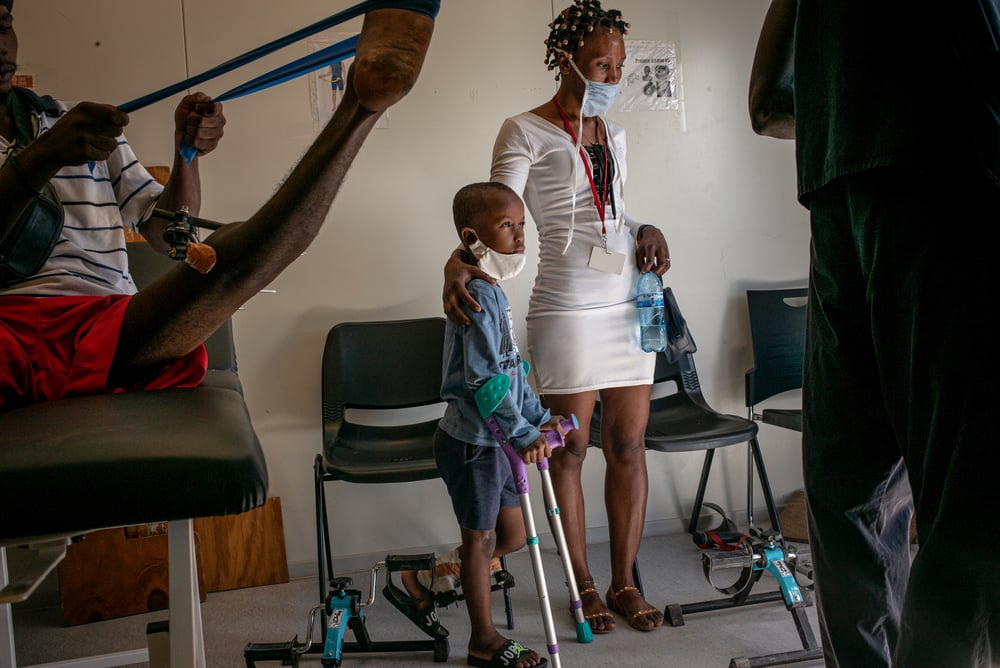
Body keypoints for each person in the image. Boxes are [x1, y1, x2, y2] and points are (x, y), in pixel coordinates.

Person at [0, 0, 437, 411]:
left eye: (3, 25)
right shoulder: (66, 136)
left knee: (233, 252)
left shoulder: (75, 120)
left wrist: (185, 156)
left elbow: (169, 237)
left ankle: (362, 103)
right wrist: (45, 154)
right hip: (6, 328)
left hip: (111, 327)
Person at [749, 1, 999, 667]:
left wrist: (853, 114)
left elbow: (767, 102)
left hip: (839, 189)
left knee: (849, 503)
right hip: (953, 174)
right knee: (972, 503)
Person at [442, 0, 669, 633]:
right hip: (567, 306)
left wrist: (644, 226)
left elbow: (613, 215)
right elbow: (498, 219)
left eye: (620, 64)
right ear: (565, 59)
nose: (613, 77)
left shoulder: (615, 134)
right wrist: (460, 263)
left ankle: (625, 581)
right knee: (567, 450)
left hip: (628, 303)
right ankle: (583, 584)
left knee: (628, 443)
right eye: (602, 63)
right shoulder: (523, 130)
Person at [430, 181, 565, 668]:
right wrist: (525, 433)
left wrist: (537, 416)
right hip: (473, 442)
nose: (519, 235)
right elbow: (485, 381)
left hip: (499, 438)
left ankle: (430, 581)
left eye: (522, 225)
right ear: (473, 235)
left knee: (507, 536)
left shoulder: (495, 290)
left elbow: (512, 369)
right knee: (482, 539)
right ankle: (482, 639)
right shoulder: (477, 294)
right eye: (507, 226)